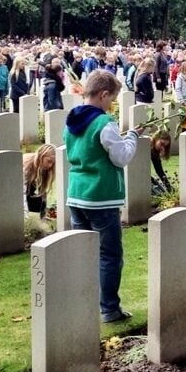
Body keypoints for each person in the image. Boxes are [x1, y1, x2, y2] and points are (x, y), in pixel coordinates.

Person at [64, 70, 145, 323]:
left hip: (76, 193)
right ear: (103, 94)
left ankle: (83, 304)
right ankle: (109, 308)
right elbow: (121, 157)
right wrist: (132, 137)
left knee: (84, 254)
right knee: (109, 255)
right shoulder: (103, 122)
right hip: (100, 196)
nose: (111, 104)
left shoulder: (71, 121)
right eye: (111, 99)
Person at [23, 144, 56, 218]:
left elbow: (43, 193)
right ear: (41, 156)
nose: (50, 165)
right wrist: (25, 217)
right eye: (49, 161)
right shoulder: (27, 166)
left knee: (39, 200)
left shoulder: (44, 168)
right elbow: (22, 193)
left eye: (53, 163)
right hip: (15, 187)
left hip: (28, 186)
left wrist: (44, 216)